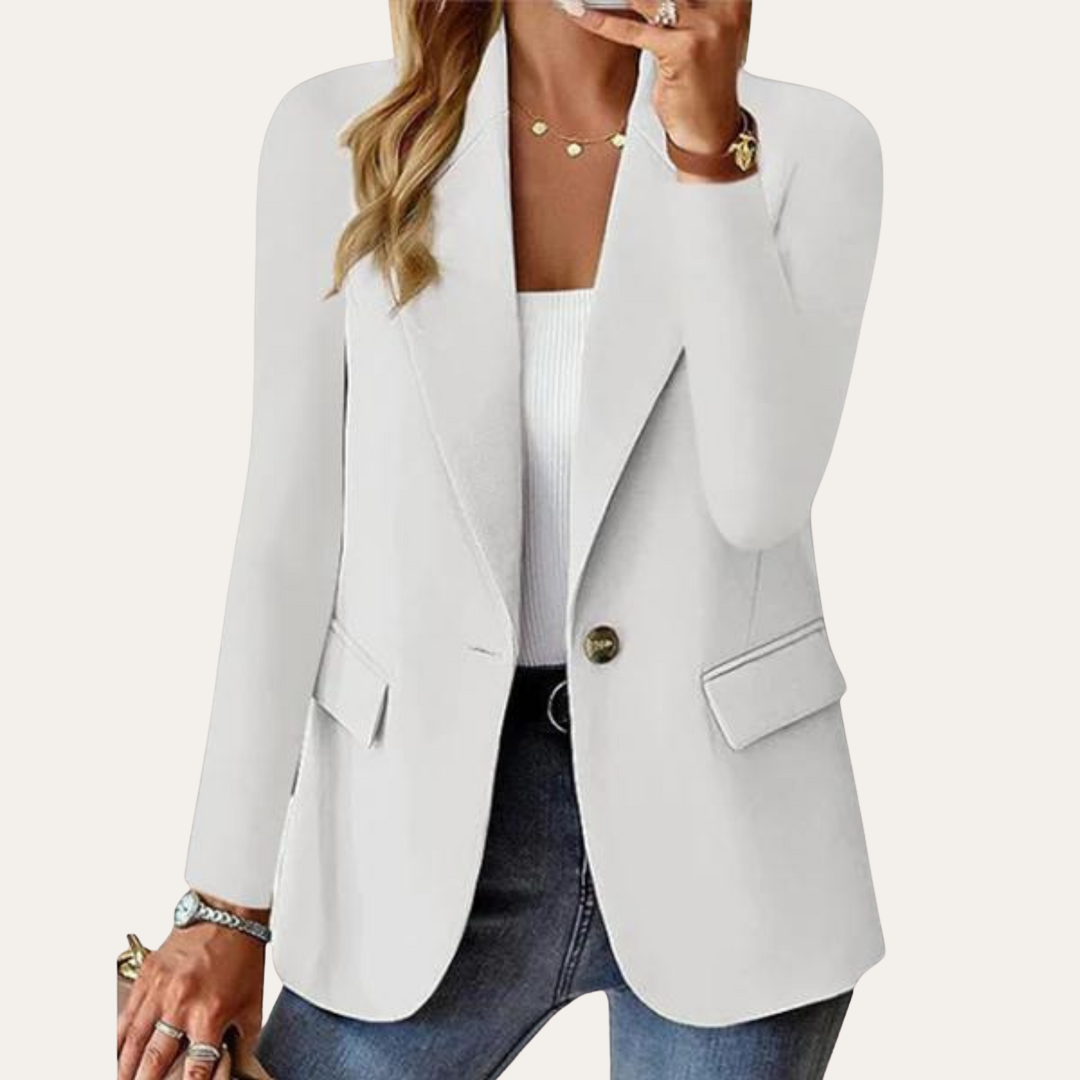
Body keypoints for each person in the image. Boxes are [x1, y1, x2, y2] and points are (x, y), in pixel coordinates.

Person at [116, 1, 886, 1077]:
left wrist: (711, 155)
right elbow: (286, 533)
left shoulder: (811, 145)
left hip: (731, 841)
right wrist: (225, 901)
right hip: (415, 846)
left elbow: (759, 499)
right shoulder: (341, 134)